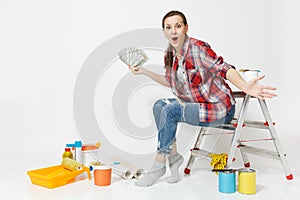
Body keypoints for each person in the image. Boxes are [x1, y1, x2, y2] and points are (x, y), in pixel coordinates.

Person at [128, 10, 277, 187]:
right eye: (169, 27)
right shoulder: (169, 55)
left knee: (170, 110)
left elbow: (224, 68)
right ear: (164, 32)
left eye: (178, 26)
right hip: (197, 106)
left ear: (185, 28)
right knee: (159, 106)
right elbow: (170, 82)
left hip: (219, 108)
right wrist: (144, 71)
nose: (173, 31)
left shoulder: (197, 49)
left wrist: (245, 86)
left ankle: (158, 165)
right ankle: (174, 157)